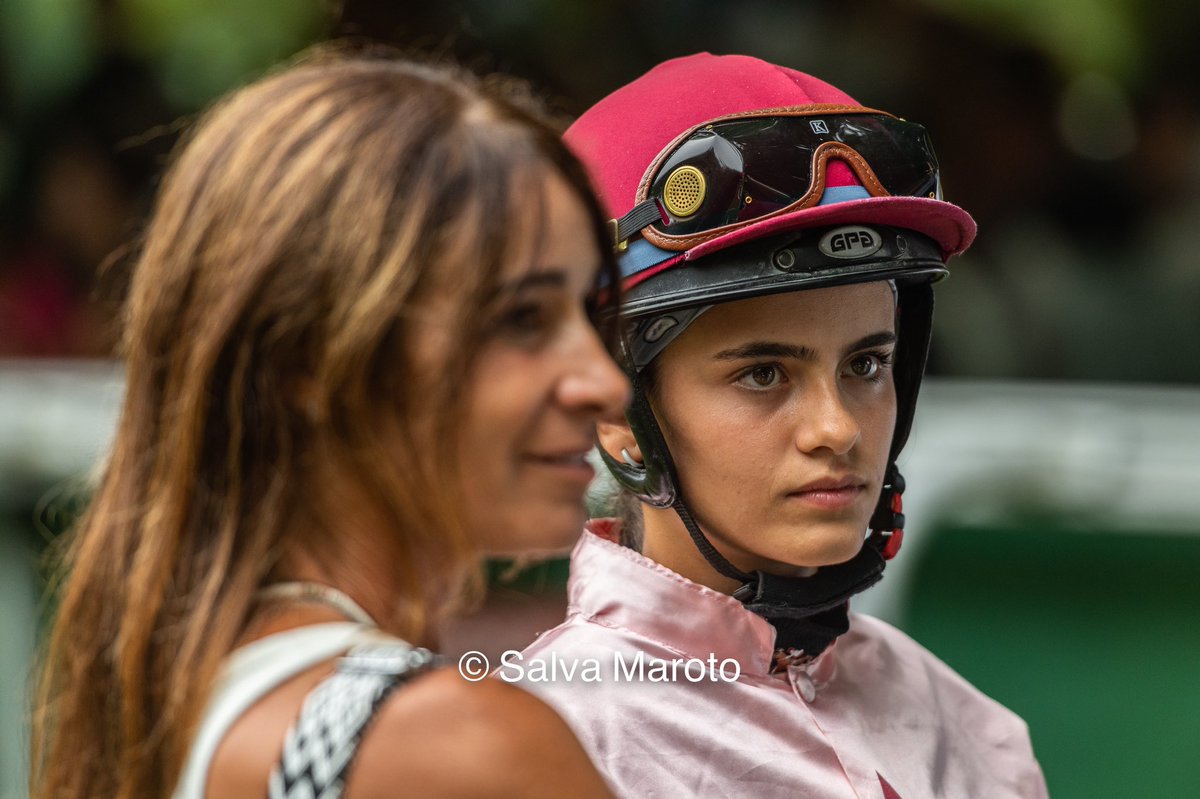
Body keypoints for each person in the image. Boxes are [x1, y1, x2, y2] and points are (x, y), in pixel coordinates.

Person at [29, 51, 628, 799]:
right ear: (307, 359)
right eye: (522, 319)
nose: (603, 382)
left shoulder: (189, 697)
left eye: (590, 314)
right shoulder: (451, 746)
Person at [507, 53, 1049, 797]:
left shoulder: (974, 730)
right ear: (613, 413)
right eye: (763, 373)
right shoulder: (542, 749)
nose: (836, 429)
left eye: (865, 365)